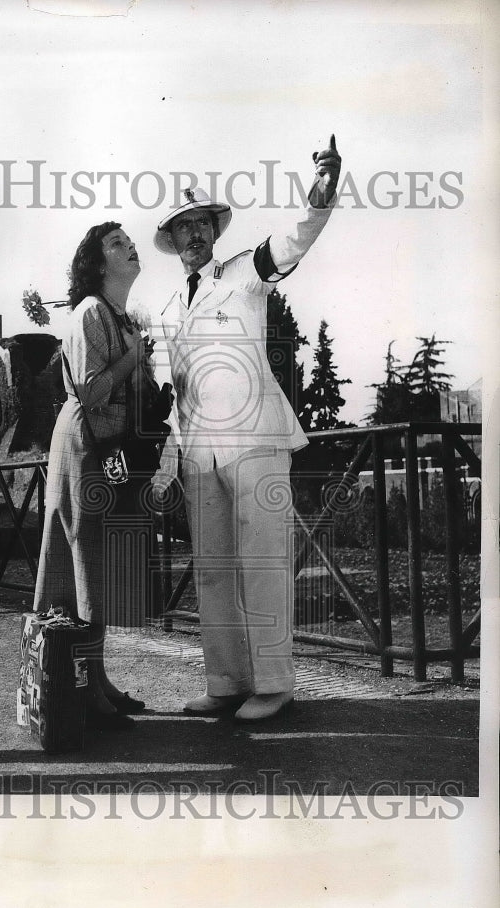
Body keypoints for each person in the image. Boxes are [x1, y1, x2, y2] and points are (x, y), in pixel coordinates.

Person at [152, 136, 342, 721]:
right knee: (211, 569)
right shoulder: (166, 311)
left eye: (203, 222)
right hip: (198, 454)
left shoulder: (243, 274)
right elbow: (171, 398)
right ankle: (225, 682)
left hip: (256, 440)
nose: (194, 234)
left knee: (262, 561)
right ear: (174, 241)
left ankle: (275, 683)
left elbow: (293, 241)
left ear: (215, 229)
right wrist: (165, 467)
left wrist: (321, 196)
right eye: (184, 227)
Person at [33, 222, 169, 731]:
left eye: (129, 241)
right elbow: (89, 390)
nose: (129, 245)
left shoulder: (124, 319)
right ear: (95, 263)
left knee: (101, 562)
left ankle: (97, 678)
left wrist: (145, 370)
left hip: (113, 448)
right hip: (88, 445)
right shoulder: (91, 311)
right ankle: (86, 687)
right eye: (116, 242)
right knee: (87, 554)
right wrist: (135, 358)